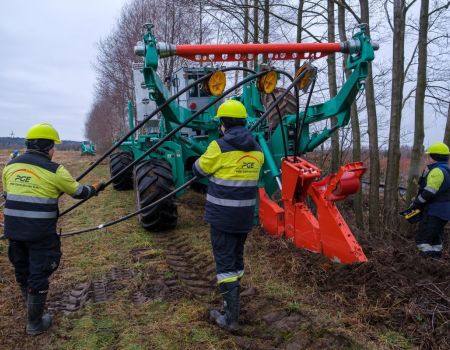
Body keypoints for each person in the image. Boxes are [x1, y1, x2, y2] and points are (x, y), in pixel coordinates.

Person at [2, 123, 105, 335]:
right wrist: (96, 188)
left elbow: (9, 194)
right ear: (47, 147)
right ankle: (35, 323)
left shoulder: (10, 166)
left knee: (22, 270)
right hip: (39, 233)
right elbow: (79, 192)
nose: (54, 151)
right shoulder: (55, 169)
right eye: (53, 147)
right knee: (39, 274)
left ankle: (32, 309)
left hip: (13, 231)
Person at [192, 100, 264, 331]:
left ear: (223, 123)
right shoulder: (257, 151)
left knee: (224, 264)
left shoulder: (218, 146)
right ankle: (228, 304)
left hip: (222, 217)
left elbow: (199, 169)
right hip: (244, 218)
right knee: (236, 260)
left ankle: (230, 318)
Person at [409, 142, 450, 258]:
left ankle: (426, 263)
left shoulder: (437, 171)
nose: (427, 158)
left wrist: (416, 203)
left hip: (434, 211)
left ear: (434, 157)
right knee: (435, 239)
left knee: (422, 240)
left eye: (429, 156)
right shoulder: (447, 170)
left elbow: (429, 192)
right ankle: (436, 262)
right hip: (444, 213)